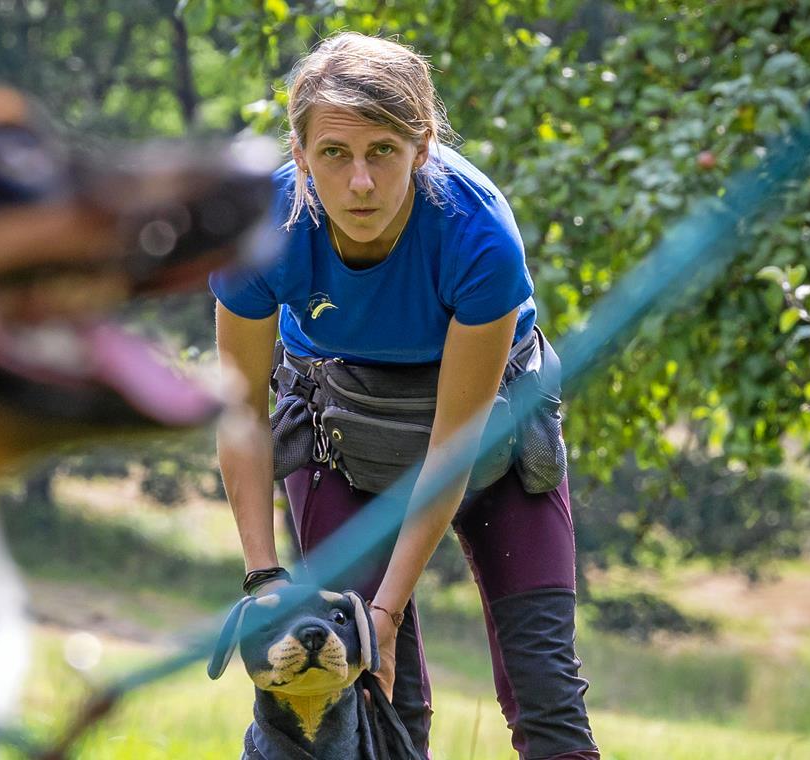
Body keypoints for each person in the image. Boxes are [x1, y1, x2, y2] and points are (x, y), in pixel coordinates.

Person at [210, 32, 599, 760]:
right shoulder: (260, 233)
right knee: (383, 701)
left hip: (491, 444)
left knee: (547, 698)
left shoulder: (477, 233)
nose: (360, 182)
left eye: (383, 151)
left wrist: (385, 609)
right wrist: (264, 577)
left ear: (422, 148)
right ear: (299, 156)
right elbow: (242, 414)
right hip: (339, 441)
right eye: (334, 154)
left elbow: (455, 448)